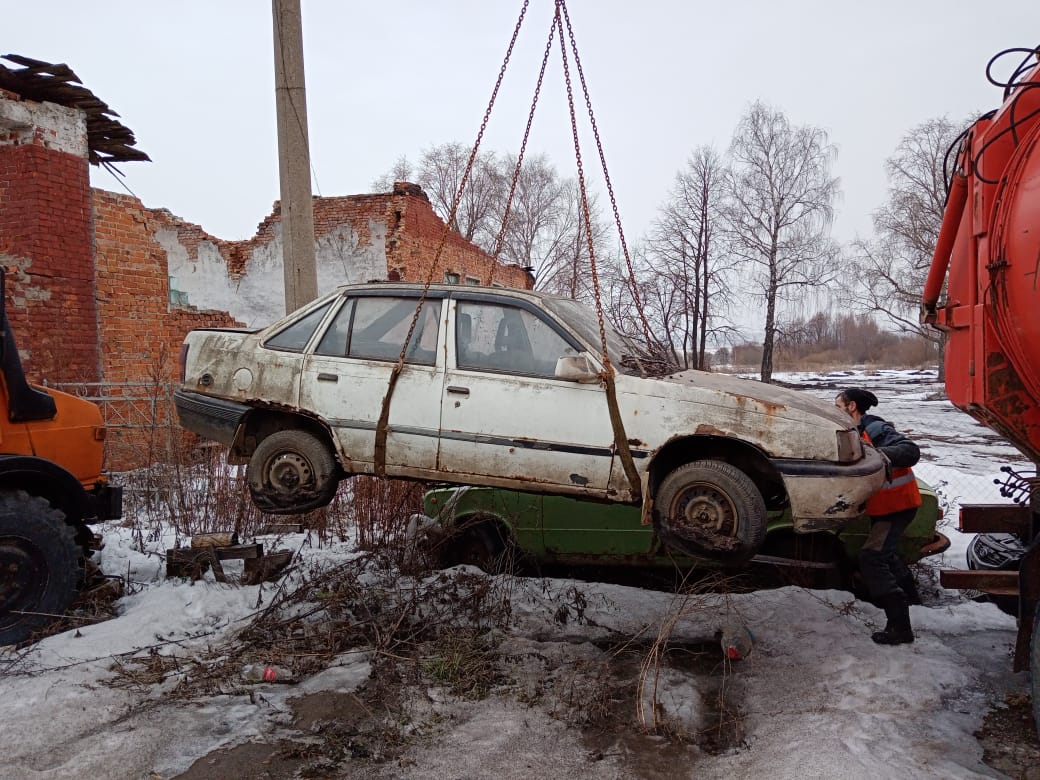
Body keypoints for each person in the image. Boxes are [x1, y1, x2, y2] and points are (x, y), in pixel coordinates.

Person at [835, 388, 922, 645]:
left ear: (851, 407)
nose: (834, 410)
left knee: (872, 557)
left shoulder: (875, 429)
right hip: (884, 506)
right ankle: (914, 601)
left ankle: (900, 627)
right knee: (888, 554)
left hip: (897, 506)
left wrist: (878, 456)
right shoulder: (854, 432)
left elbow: (910, 450)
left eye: (837, 405)